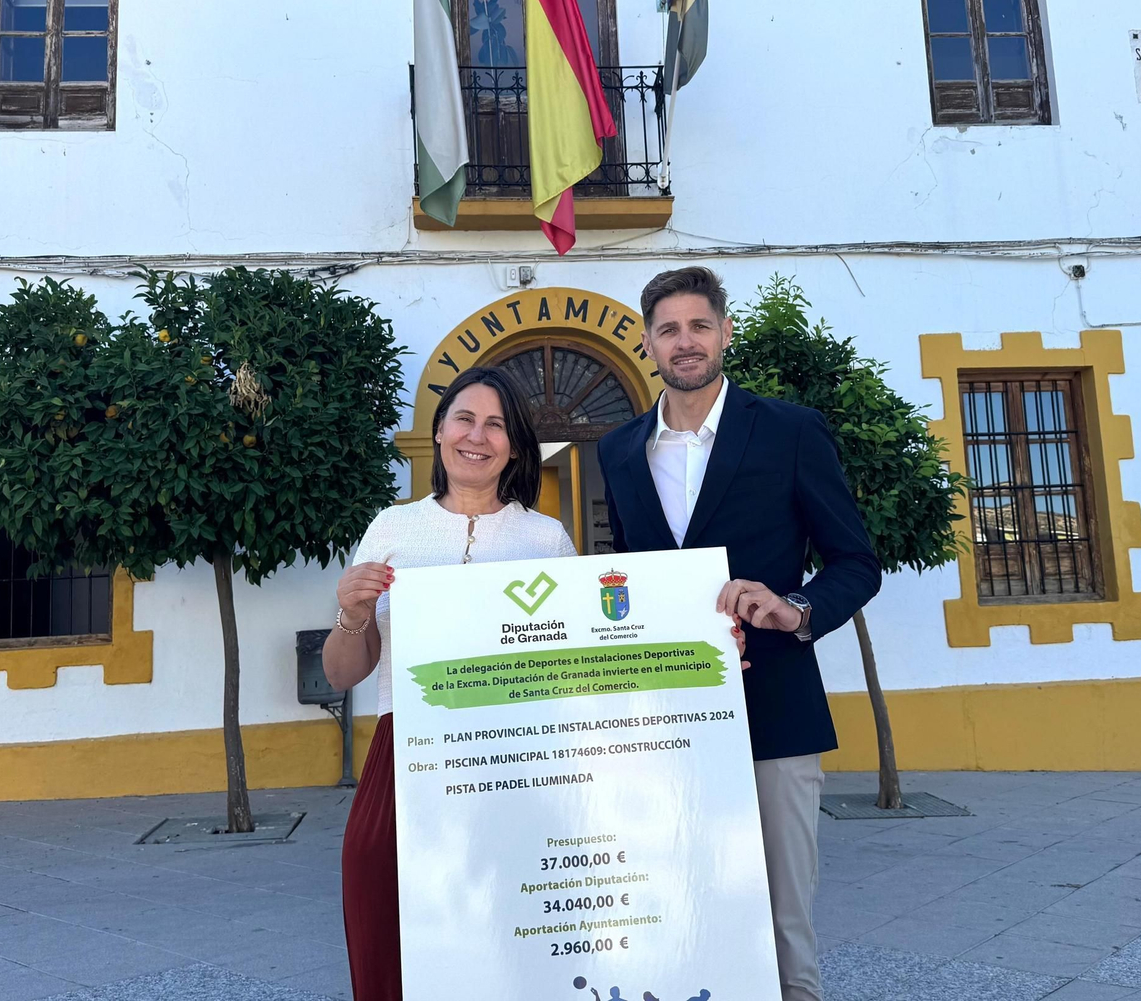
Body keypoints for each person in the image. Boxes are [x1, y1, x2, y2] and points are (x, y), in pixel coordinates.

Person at [598, 267, 882, 1001]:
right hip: (661, 721)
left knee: (786, 918)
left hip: (775, 710)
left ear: (725, 332)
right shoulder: (620, 450)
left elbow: (856, 561)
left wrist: (797, 606)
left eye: (699, 325)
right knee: (678, 904)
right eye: (668, 329)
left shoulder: (789, 429)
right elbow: (627, 577)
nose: (684, 341)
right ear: (648, 342)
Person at [324, 365, 576, 1001]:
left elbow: (579, 666)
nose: (478, 435)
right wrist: (352, 617)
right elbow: (343, 671)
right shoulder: (392, 529)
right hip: (406, 749)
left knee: (511, 928)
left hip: (520, 758)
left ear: (514, 447)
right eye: (465, 418)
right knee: (380, 895)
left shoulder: (544, 540)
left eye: (496, 425)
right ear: (438, 432)